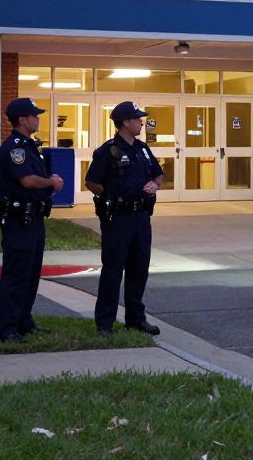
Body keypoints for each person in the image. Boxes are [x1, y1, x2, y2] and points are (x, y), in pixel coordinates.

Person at [85, 101, 163, 337]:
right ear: (126, 122)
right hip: (118, 218)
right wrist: (111, 196)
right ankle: (105, 323)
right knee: (113, 270)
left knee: (139, 269)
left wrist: (154, 184)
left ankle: (136, 319)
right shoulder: (108, 151)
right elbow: (91, 182)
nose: (142, 122)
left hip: (141, 217)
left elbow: (158, 174)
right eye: (138, 119)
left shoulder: (142, 149)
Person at [0, 97, 63, 343]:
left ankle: (24, 321)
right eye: (34, 115)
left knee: (31, 273)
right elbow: (27, 180)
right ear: (22, 120)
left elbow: (35, 180)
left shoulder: (29, 145)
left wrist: (48, 187)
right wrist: (51, 182)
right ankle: (8, 328)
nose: (38, 118)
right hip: (18, 220)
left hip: (33, 217)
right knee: (16, 274)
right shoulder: (16, 147)